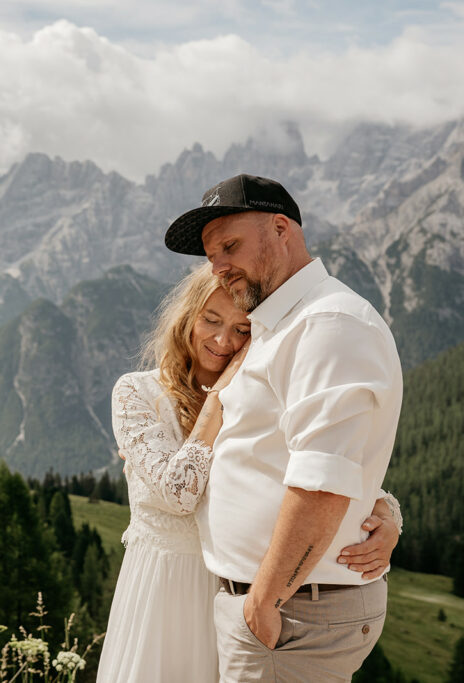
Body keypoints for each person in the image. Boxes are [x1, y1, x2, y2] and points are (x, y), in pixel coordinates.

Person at [96, 262, 402, 682]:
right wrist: (218, 400)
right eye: (211, 320)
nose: (223, 340)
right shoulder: (137, 392)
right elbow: (180, 494)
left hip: (237, 589)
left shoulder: (259, 393)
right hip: (162, 588)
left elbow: (319, 464)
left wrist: (386, 513)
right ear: (187, 317)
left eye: (242, 330)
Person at [164, 174, 404, 681]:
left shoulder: (326, 322)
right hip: (284, 608)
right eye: (211, 256)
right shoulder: (283, 323)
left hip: (292, 612)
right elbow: (279, 451)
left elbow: (323, 483)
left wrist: (264, 602)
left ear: (281, 229)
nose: (220, 267)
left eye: (230, 245)